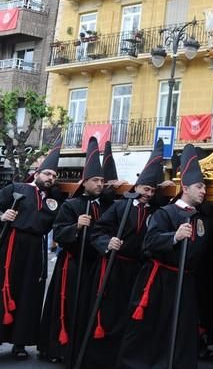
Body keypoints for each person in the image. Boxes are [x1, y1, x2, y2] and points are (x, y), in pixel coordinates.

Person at [116, 144, 211, 369]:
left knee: (181, 331)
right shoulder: (166, 213)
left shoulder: (200, 218)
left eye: (204, 187)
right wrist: (174, 237)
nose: (203, 191)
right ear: (185, 188)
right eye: (199, 186)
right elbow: (149, 242)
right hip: (160, 281)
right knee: (151, 329)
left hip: (185, 281)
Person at [79, 140, 164, 369]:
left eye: (153, 190)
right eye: (146, 188)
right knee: (108, 313)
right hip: (113, 267)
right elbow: (98, 231)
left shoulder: (156, 213)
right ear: (136, 187)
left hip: (137, 270)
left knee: (128, 316)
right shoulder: (119, 207)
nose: (149, 194)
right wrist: (108, 242)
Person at [39, 137, 110, 363]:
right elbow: (58, 233)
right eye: (96, 180)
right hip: (72, 264)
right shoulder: (72, 205)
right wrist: (76, 226)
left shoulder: (106, 206)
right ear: (85, 181)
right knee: (66, 305)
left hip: (94, 265)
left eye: (102, 181)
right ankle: (58, 348)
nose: (100, 184)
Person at [0, 139, 62, 359]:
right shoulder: (16, 188)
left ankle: (20, 343)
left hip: (36, 250)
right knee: (4, 289)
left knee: (29, 295)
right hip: (11, 246)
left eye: (54, 176)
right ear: (37, 173)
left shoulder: (54, 199)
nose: (50, 179)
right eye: (47, 174)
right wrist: (2, 216)